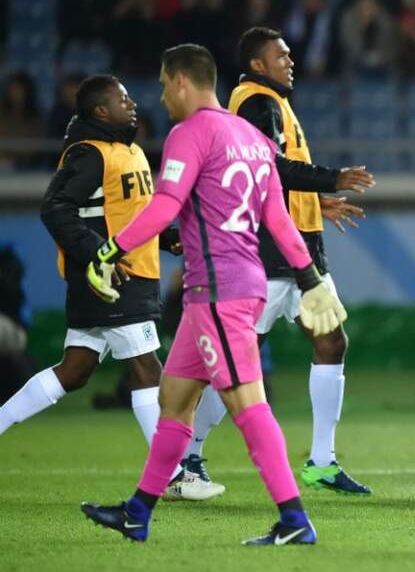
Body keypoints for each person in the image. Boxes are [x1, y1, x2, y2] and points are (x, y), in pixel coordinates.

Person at [80, 43, 346, 545]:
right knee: (174, 401)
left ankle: (295, 520)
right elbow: (279, 222)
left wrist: (110, 250)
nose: (161, 98)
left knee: (248, 404)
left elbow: (164, 207)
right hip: (225, 291)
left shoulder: (190, 133)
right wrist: (310, 278)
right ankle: (138, 513)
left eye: (163, 85)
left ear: (182, 80)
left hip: (220, 292)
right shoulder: (251, 137)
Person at [0, 75, 227, 495]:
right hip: (109, 279)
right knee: (147, 370)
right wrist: (97, 255)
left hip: (129, 275)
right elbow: (55, 209)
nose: (133, 103)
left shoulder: (131, 151)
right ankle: (173, 476)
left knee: (75, 370)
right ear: (101, 111)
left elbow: (133, 216)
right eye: (123, 98)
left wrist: (165, 237)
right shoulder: (89, 154)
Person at [223, 27, 375, 495]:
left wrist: (318, 203)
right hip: (270, 253)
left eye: (289, 54)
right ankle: (188, 457)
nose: (290, 61)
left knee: (331, 341)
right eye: (280, 56)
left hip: (297, 251)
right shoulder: (257, 102)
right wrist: (333, 177)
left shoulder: (272, 101)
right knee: (235, 363)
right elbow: (265, 167)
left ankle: (323, 460)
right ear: (256, 64)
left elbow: (276, 181)